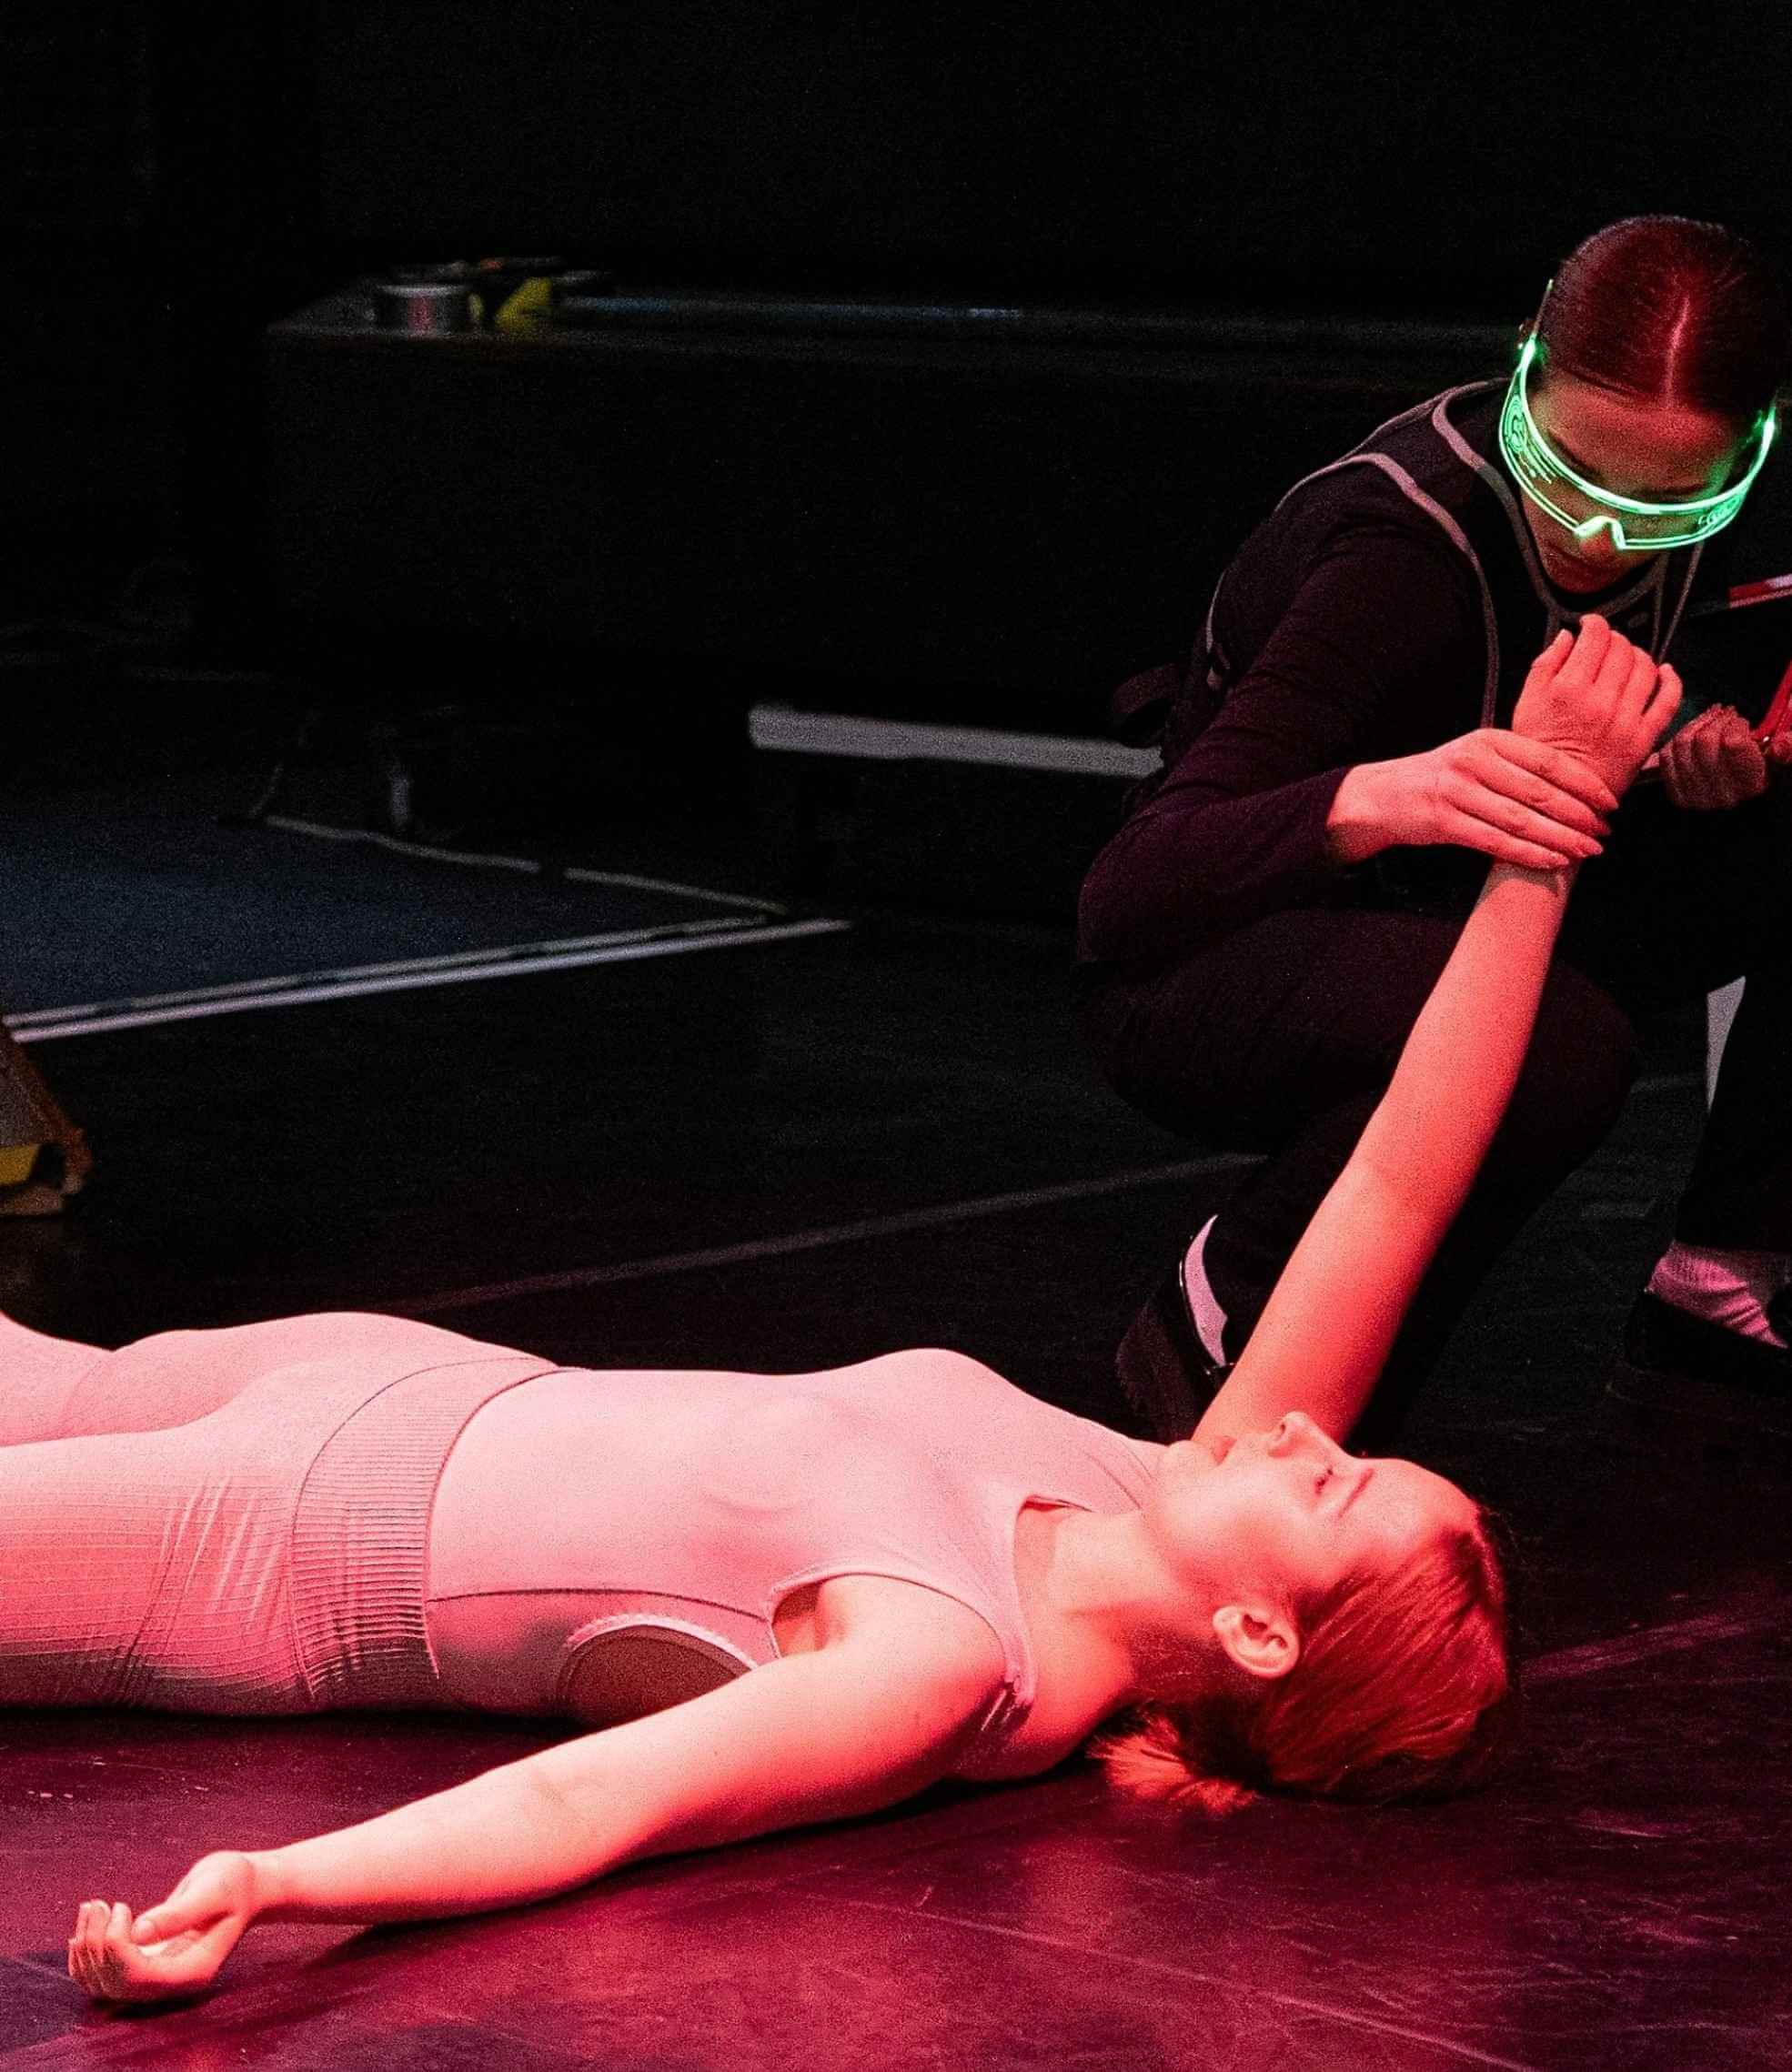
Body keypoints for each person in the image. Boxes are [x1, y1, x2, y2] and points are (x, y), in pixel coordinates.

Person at [43, 619, 1668, 2006]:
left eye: (1334, 1485)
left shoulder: (950, 1666)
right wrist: (1543, 831)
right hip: (408, 1379)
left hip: (275, 1555)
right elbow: (1400, 1177)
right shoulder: (1150, 1472)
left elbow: (601, 1801)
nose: (1312, 1432)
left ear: (1258, 1633)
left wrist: (277, 1881)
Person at [1078, 215, 1792, 1452]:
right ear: (1523, 366)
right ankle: (1223, 1328)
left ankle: (1721, 1274)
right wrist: (1390, 793)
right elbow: (1130, 892)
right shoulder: (1405, 552)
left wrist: (1696, 759)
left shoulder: (1729, 516)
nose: (1600, 535)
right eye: (1569, 475)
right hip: (1222, 952)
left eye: (1665, 506)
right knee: (1556, 1046)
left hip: (1461, 897)